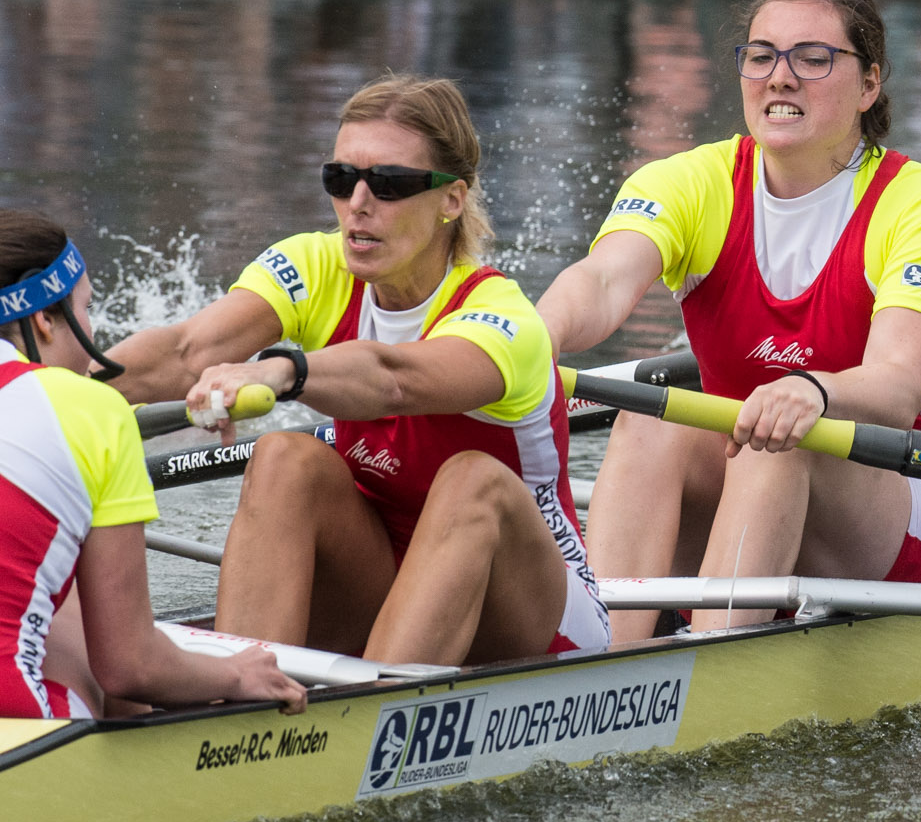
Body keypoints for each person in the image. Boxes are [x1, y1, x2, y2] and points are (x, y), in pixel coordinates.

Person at [109, 75, 608, 668]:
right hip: (389, 580)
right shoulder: (319, 265)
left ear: (452, 199)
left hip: (532, 613)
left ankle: (372, 720)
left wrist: (278, 370)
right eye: (341, 180)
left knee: (473, 479)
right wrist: (38, 382)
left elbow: (391, 378)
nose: (359, 204)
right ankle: (240, 703)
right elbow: (185, 351)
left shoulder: (504, 318)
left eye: (390, 183)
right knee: (285, 458)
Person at [536, 0, 921, 638]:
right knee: (647, 417)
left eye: (813, 58)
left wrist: (813, 390)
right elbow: (601, 282)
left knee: (780, 438)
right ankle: (600, 660)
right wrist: (531, 341)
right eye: (763, 55)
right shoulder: (692, 180)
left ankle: (710, 666)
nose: (781, 77)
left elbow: (895, 383)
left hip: (900, 516)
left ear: (869, 85)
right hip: (744, 489)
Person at [0, 211, 304, 722]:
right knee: (85, 610)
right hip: (20, 729)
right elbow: (129, 665)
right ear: (44, 321)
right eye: (87, 309)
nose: (92, 329)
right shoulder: (92, 410)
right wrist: (236, 675)